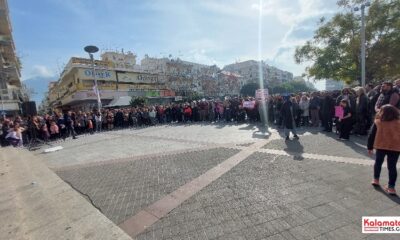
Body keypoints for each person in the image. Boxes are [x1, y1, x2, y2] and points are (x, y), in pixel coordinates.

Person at [368, 104, 400, 195]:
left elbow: (371, 135)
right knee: (392, 166)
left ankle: (376, 179)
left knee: (378, 162)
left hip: (381, 145)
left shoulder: (378, 121)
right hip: (395, 147)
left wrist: (370, 147)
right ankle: (391, 187)